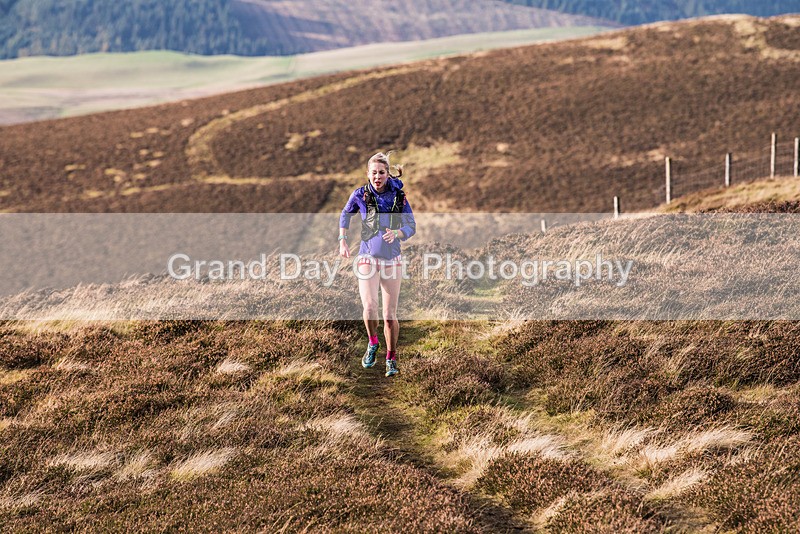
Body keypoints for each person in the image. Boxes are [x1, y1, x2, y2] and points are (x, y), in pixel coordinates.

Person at [339, 152, 416, 377]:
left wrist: (398, 233)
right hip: (366, 258)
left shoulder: (398, 197)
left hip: (392, 260)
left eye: (381, 172)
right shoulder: (360, 195)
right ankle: (373, 343)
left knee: (389, 316)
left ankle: (391, 358)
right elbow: (345, 214)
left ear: (387, 173)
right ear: (368, 174)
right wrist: (342, 240)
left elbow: (412, 226)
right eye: (373, 173)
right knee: (370, 307)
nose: (377, 177)